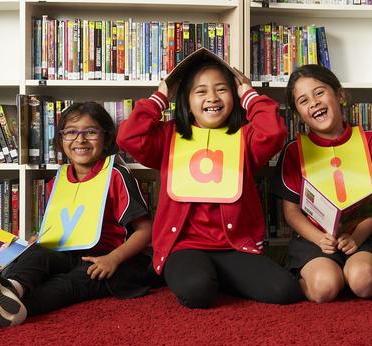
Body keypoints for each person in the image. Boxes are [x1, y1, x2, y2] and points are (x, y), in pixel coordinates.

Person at [0, 102, 154, 336]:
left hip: (103, 260)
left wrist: (113, 258)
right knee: (35, 255)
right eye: (71, 132)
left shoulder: (116, 175)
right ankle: (10, 289)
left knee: (67, 285)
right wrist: (40, 238)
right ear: (61, 139)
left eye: (90, 132)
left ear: (106, 137)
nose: (80, 139)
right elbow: (63, 224)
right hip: (65, 252)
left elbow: (145, 231)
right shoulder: (58, 179)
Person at [117, 50, 303, 308]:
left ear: (234, 96)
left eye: (222, 89)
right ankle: (204, 277)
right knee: (197, 293)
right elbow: (129, 137)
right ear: (186, 100)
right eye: (200, 91)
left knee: (286, 291)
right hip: (184, 246)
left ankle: (220, 277)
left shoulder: (245, 138)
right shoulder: (169, 137)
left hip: (233, 247)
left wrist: (248, 92)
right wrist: (160, 97)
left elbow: (273, 132)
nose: (212, 98)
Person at [272, 64, 372, 303]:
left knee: (363, 281)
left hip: (364, 236)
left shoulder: (369, 141)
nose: (314, 103)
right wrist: (319, 239)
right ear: (298, 114)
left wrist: (357, 238)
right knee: (324, 288)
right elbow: (291, 212)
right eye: (303, 100)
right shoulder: (294, 150)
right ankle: (324, 277)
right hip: (314, 240)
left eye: (319, 92)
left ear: (339, 95)